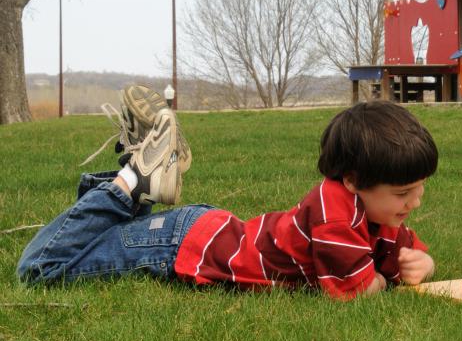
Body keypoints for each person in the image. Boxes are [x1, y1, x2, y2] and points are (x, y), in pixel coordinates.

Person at [17, 88, 438, 300]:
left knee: (91, 244)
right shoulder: (336, 216)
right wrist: (387, 277)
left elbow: (394, 249)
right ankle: (132, 179)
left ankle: (140, 174)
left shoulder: (363, 208)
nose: (415, 203)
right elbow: (356, 288)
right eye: (404, 192)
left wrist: (421, 261)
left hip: (199, 232)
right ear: (353, 180)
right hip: (180, 245)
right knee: (41, 270)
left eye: (419, 189)